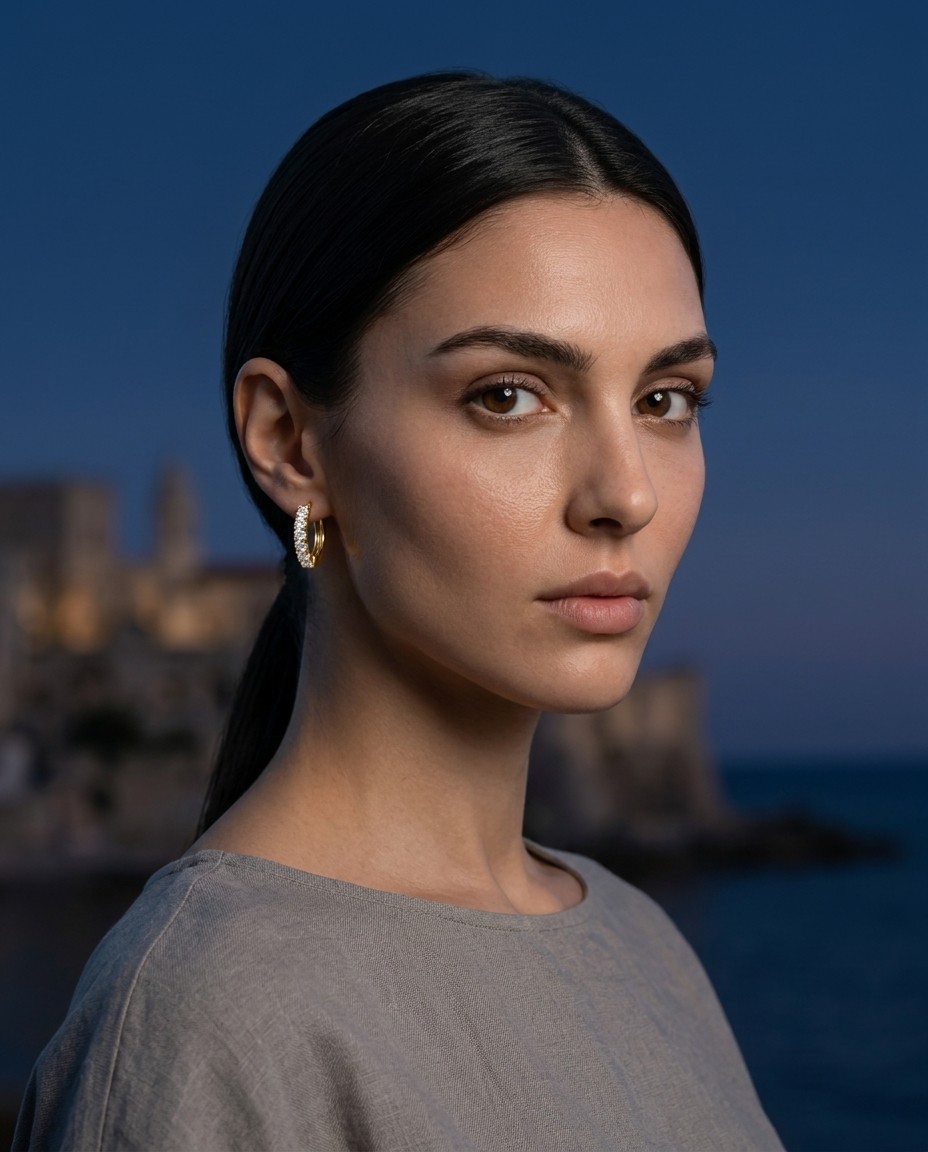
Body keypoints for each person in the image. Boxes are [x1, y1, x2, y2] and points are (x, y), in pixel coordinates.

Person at [14, 72, 783, 1150]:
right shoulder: (210, 1018)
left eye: (665, 401)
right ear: (288, 442)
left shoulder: (638, 940)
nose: (627, 494)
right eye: (507, 395)